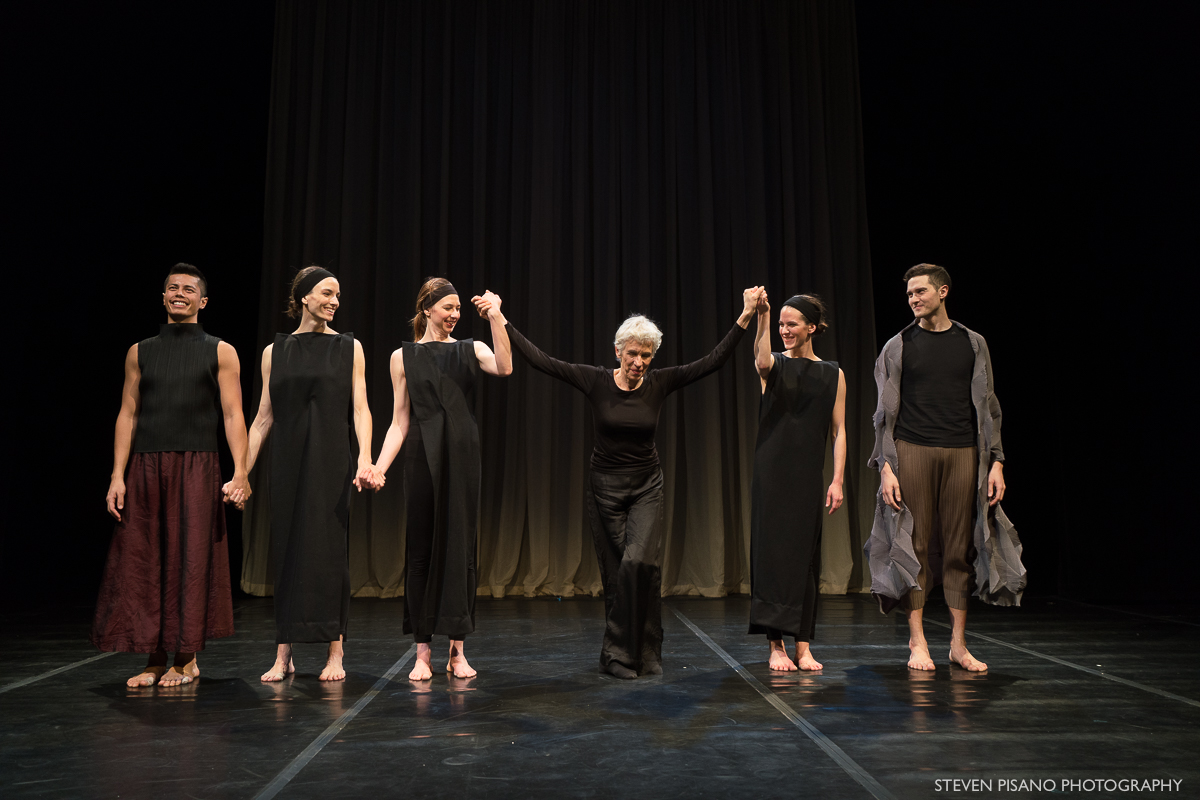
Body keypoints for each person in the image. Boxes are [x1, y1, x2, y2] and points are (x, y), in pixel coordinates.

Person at [497, 288, 763, 679]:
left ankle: (644, 652)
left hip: (646, 487)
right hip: (604, 488)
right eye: (633, 354)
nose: (639, 362)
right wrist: (501, 320)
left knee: (641, 565)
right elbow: (542, 361)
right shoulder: (595, 381)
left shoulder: (660, 383)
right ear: (618, 352)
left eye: (646, 355)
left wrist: (745, 315)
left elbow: (714, 361)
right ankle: (621, 656)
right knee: (617, 572)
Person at [93, 264, 250, 687]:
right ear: (163, 298)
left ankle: (186, 656)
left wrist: (242, 472)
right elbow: (127, 415)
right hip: (146, 465)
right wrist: (117, 475)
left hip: (197, 463)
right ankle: (155, 656)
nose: (179, 293)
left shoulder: (221, 350)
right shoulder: (139, 351)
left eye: (189, 289)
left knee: (190, 557)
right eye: (172, 288)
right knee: (146, 559)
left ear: (203, 301)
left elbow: (234, 414)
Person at [865, 263, 1025, 672]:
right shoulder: (897, 346)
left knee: (959, 549)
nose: (914, 299)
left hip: (962, 453)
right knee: (912, 546)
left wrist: (997, 462)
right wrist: (886, 466)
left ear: (943, 291)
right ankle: (917, 642)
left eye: (920, 292)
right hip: (912, 449)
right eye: (909, 294)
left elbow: (990, 405)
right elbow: (882, 414)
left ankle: (957, 644)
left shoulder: (972, 343)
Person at [245, 267, 383, 683]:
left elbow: (360, 407)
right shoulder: (276, 351)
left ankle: (335, 650)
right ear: (304, 297)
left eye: (338, 295)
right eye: (327, 293)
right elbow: (262, 418)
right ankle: (283, 650)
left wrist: (366, 458)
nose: (335, 301)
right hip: (287, 460)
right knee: (286, 546)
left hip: (331, 459)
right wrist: (240, 473)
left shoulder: (348, 347)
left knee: (328, 552)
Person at [375, 279, 512, 681]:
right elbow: (399, 422)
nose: (454, 315)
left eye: (458, 309)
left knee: (461, 549)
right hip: (421, 452)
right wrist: (380, 467)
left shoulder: (473, 348)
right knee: (420, 549)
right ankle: (422, 652)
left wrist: (497, 317)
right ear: (427, 309)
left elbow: (505, 367)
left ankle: (458, 651)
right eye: (447, 307)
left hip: (463, 453)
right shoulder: (402, 356)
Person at [749, 292, 846, 672]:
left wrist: (837, 480)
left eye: (791, 324)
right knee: (773, 555)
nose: (784, 331)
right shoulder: (773, 366)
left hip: (808, 474)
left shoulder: (833, 373)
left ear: (812, 327)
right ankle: (776, 646)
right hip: (772, 472)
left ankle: (803, 645)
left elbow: (839, 433)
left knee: (806, 558)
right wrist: (763, 316)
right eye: (781, 325)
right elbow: (760, 358)